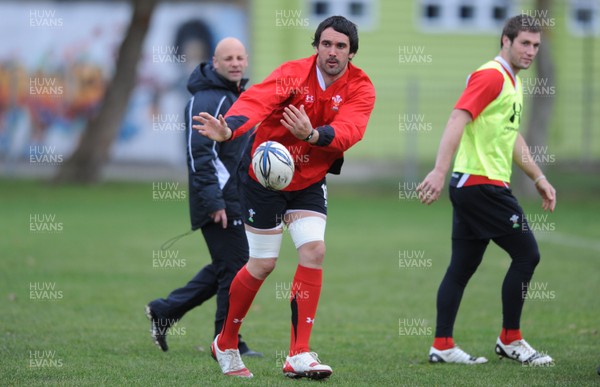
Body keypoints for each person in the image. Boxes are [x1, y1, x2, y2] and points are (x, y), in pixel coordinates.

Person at [193, 16, 376, 379]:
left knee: (314, 251)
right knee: (262, 264)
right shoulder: (293, 73)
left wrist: (313, 134)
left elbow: (351, 130)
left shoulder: (362, 87)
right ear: (317, 46)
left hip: (309, 179)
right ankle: (226, 342)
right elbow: (256, 100)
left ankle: (298, 354)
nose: (332, 52)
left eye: (341, 46)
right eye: (326, 44)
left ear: (351, 52)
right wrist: (230, 127)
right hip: (266, 180)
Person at [416, 14, 556, 366]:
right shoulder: (491, 76)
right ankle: (511, 339)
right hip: (481, 185)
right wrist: (437, 170)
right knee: (528, 255)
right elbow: (457, 118)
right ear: (505, 41)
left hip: (475, 185)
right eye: (524, 43)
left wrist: (539, 178)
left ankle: (443, 345)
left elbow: (510, 137)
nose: (530, 51)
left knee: (461, 267)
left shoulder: (512, 82)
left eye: (536, 45)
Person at [145, 37, 261, 357]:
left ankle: (165, 311)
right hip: (217, 201)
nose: (236, 63)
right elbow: (200, 157)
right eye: (229, 58)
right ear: (215, 62)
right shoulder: (206, 100)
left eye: (240, 57)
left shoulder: (237, 97)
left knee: (231, 267)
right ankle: (227, 343)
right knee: (236, 269)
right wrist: (215, 202)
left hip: (234, 199)